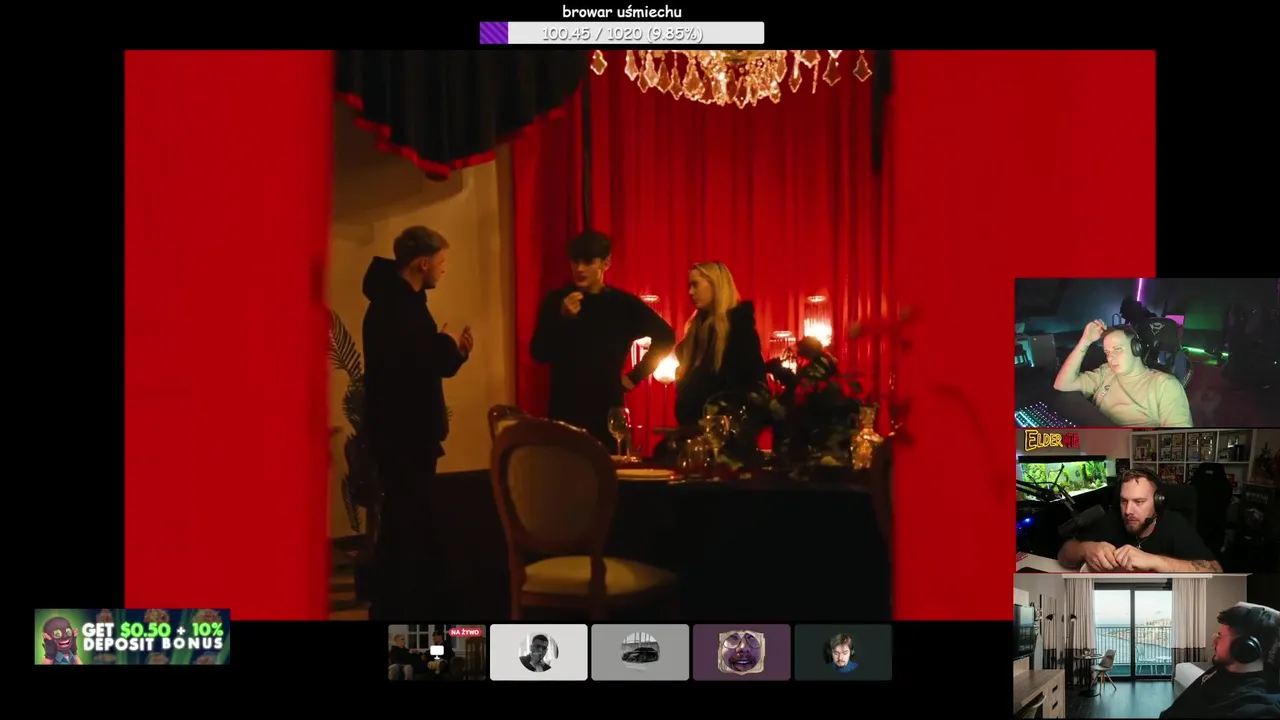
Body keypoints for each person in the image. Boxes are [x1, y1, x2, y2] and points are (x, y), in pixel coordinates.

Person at [362, 226, 474, 619]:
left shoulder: (401, 302)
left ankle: (400, 603)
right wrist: (447, 343)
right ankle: (399, 607)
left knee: (406, 519)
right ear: (423, 263)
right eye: (441, 262)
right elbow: (417, 362)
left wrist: (453, 353)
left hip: (404, 432)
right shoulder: (397, 307)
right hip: (403, 434)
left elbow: (428, 362)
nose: (444, 269)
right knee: (406, 520)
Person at [530, 231, 675, 446]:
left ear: (605, 263)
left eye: (588, 262)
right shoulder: (557, 300)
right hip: (564, 409)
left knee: (611, 463)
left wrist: (634, 377)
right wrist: (562, 319)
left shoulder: (622, 304)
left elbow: (666, 336)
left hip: (607, 410)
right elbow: (539, 353)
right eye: (575, 261)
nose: (580, 269)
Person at [1057, 469, 1222, 572]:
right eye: (1124, 501)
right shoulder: (1111, 520)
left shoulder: (1175, 524)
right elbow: (1063, 554)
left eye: (1139, 502)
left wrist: (1155, 561)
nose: (1128, 510)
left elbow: (1216, 570)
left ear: (1158, 502)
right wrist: (1085, 549)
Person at [673, 262, 767, 425]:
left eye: (695, 285)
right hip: (694, 428)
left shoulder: (739, 331)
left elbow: (752, 384)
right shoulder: (696, 332)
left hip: (725, 431)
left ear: (715, 285)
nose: (690, 292)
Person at [1053, 321, 1193, 427]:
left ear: (1136, 348)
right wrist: (1085, 341)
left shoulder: (1165, 386)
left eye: (1117, 349)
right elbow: (1062, 384)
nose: (1110, 357)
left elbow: (1179, 443)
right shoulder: (1106, 372)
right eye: (1107, 352)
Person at [1160, 603, 1279, 718]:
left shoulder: (1251, 703)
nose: (1213, 643)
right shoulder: (1222, 669)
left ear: (1245, 645)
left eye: (1220, 636)